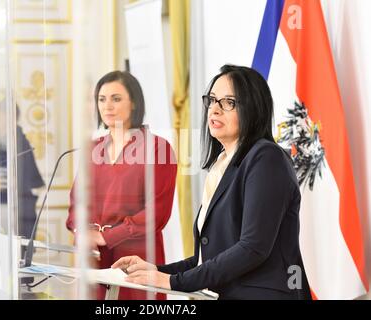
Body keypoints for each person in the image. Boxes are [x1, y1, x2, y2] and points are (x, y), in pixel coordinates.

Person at [112, 65, 311, 300]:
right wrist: (157, 270)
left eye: (228, 102)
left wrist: (173, 282)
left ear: (252, 108)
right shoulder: (223, 164)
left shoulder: (266, 158)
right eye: (212, 100)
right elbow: (207, 258)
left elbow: (253, 247)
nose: (214, 109)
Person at [66, 71, 177, 300]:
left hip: (136, 261)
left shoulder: (157, 149)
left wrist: (107, 236)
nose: (107, 106)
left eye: (116, 99)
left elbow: (157, 213)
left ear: (134, 102)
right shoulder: (91, 149)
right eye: (101, 99)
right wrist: (83, 233)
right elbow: (76, 203)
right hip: (95, 261)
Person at [0, 102, 45, 241]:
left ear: (8, 117)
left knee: (19, 256)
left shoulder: (18, 142)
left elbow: (7, 178)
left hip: (15, 213)